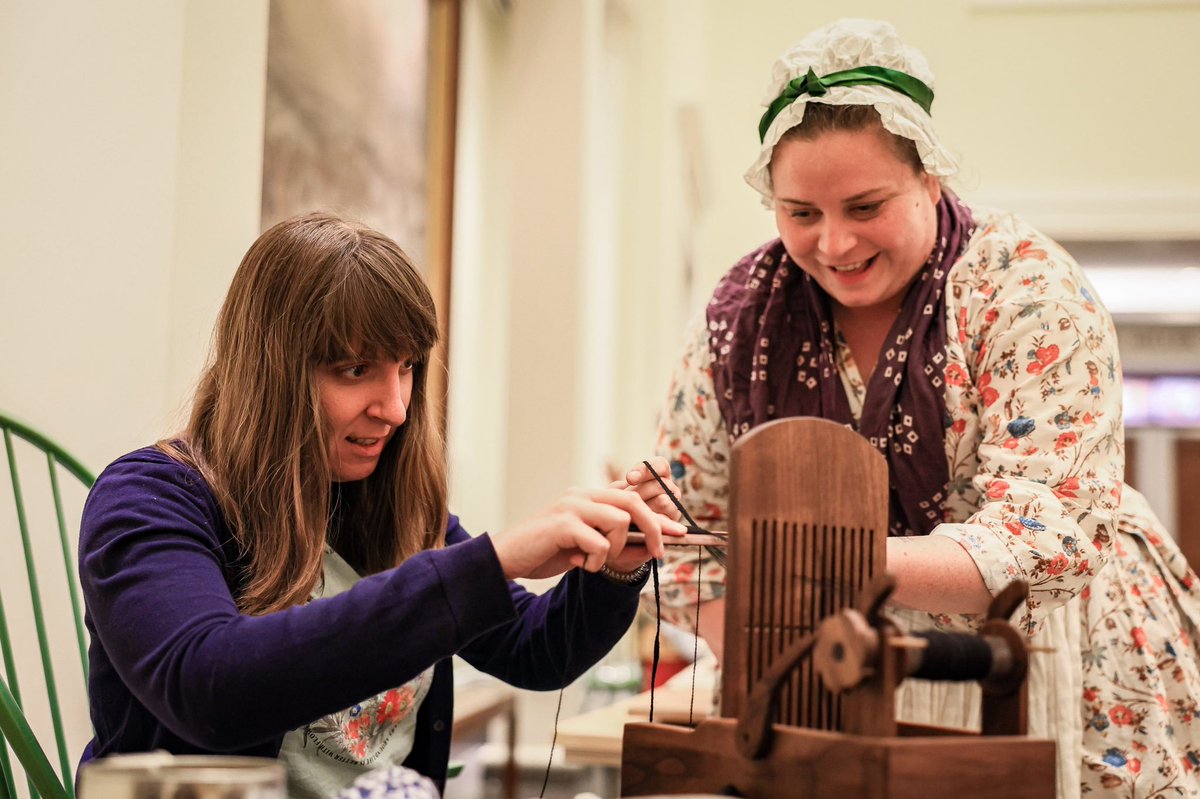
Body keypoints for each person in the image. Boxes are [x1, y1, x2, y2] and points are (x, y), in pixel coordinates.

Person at [651, 18, 1200, 799]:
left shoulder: (1024, 290)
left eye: (865, 206)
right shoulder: (740, 321)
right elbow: (682, 530)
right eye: (800, 213)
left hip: (1037, 652)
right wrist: (771, 658)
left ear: (931, 180)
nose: (834, 243)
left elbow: (1048, 536)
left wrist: (828, 566)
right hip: (825, 671)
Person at [77, 211, 686, 799]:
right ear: (270, 371)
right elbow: (210, 689)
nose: (394, 408)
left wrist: (615, 566)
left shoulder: (388, 501)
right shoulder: (150, 499)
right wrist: (489, 563)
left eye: (407, 368)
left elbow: (536, 650)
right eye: (354, 369)